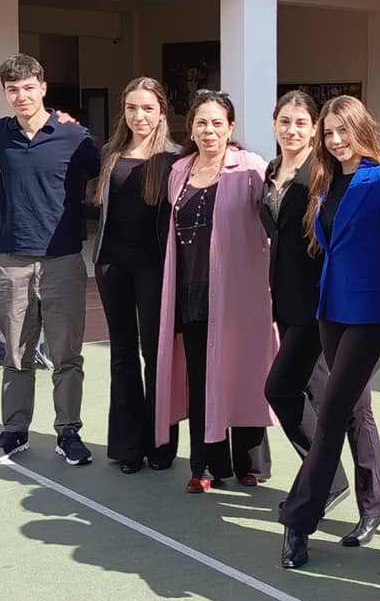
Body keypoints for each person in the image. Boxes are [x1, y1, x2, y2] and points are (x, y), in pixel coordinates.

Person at [279, 95, 380, 570]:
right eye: (328, 133)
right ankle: (377, 504)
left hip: (373, 312)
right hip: (331, 309)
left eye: (342, 131)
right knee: (354, 407)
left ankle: (299, 519)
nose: (334, 140)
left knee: (331, 409)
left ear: (361, 128)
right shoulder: (325, 179)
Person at [0, 54, 101, 467]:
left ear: (43, 88)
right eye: (13, 90)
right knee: (16, 353)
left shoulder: (73, 135)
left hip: (62, 260)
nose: (22, 96)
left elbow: (106, 173)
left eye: (29, 88)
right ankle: (14, 431)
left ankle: (69, 432)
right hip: (12, 259)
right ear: (5, 93)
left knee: (67, 356)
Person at [154, 90, 277, 493]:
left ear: (230, 127)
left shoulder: (251, 167)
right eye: (201, 122)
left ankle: (249, 462)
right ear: (191, 127)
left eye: (217, 123)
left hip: (238, 292)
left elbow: (272, 223)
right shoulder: (179, 170)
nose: (209, 130)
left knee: (242, 371)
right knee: (200, 376)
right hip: (192, 289)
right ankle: (206, 465)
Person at [259, 91, 352, 511]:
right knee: (314, 392)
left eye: (301, 123)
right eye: (285, 121)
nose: (291, 130)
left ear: (314, 128)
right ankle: (329, 481)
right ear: (274, 124)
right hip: (284, 297)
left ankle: (326, 479)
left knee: (279, 389)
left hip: (316, 300)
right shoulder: (271, 169)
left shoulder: (322, 173)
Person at [92, 77, 181, 474]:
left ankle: (160, 444)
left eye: (147, 108)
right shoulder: (109, 153)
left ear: (161, 111)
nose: (139, 116)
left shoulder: (174, 159)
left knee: (156, 357)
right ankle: (127, 447)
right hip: (112, 266)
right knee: (123, 355)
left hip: (154, 268)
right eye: (132, 108)